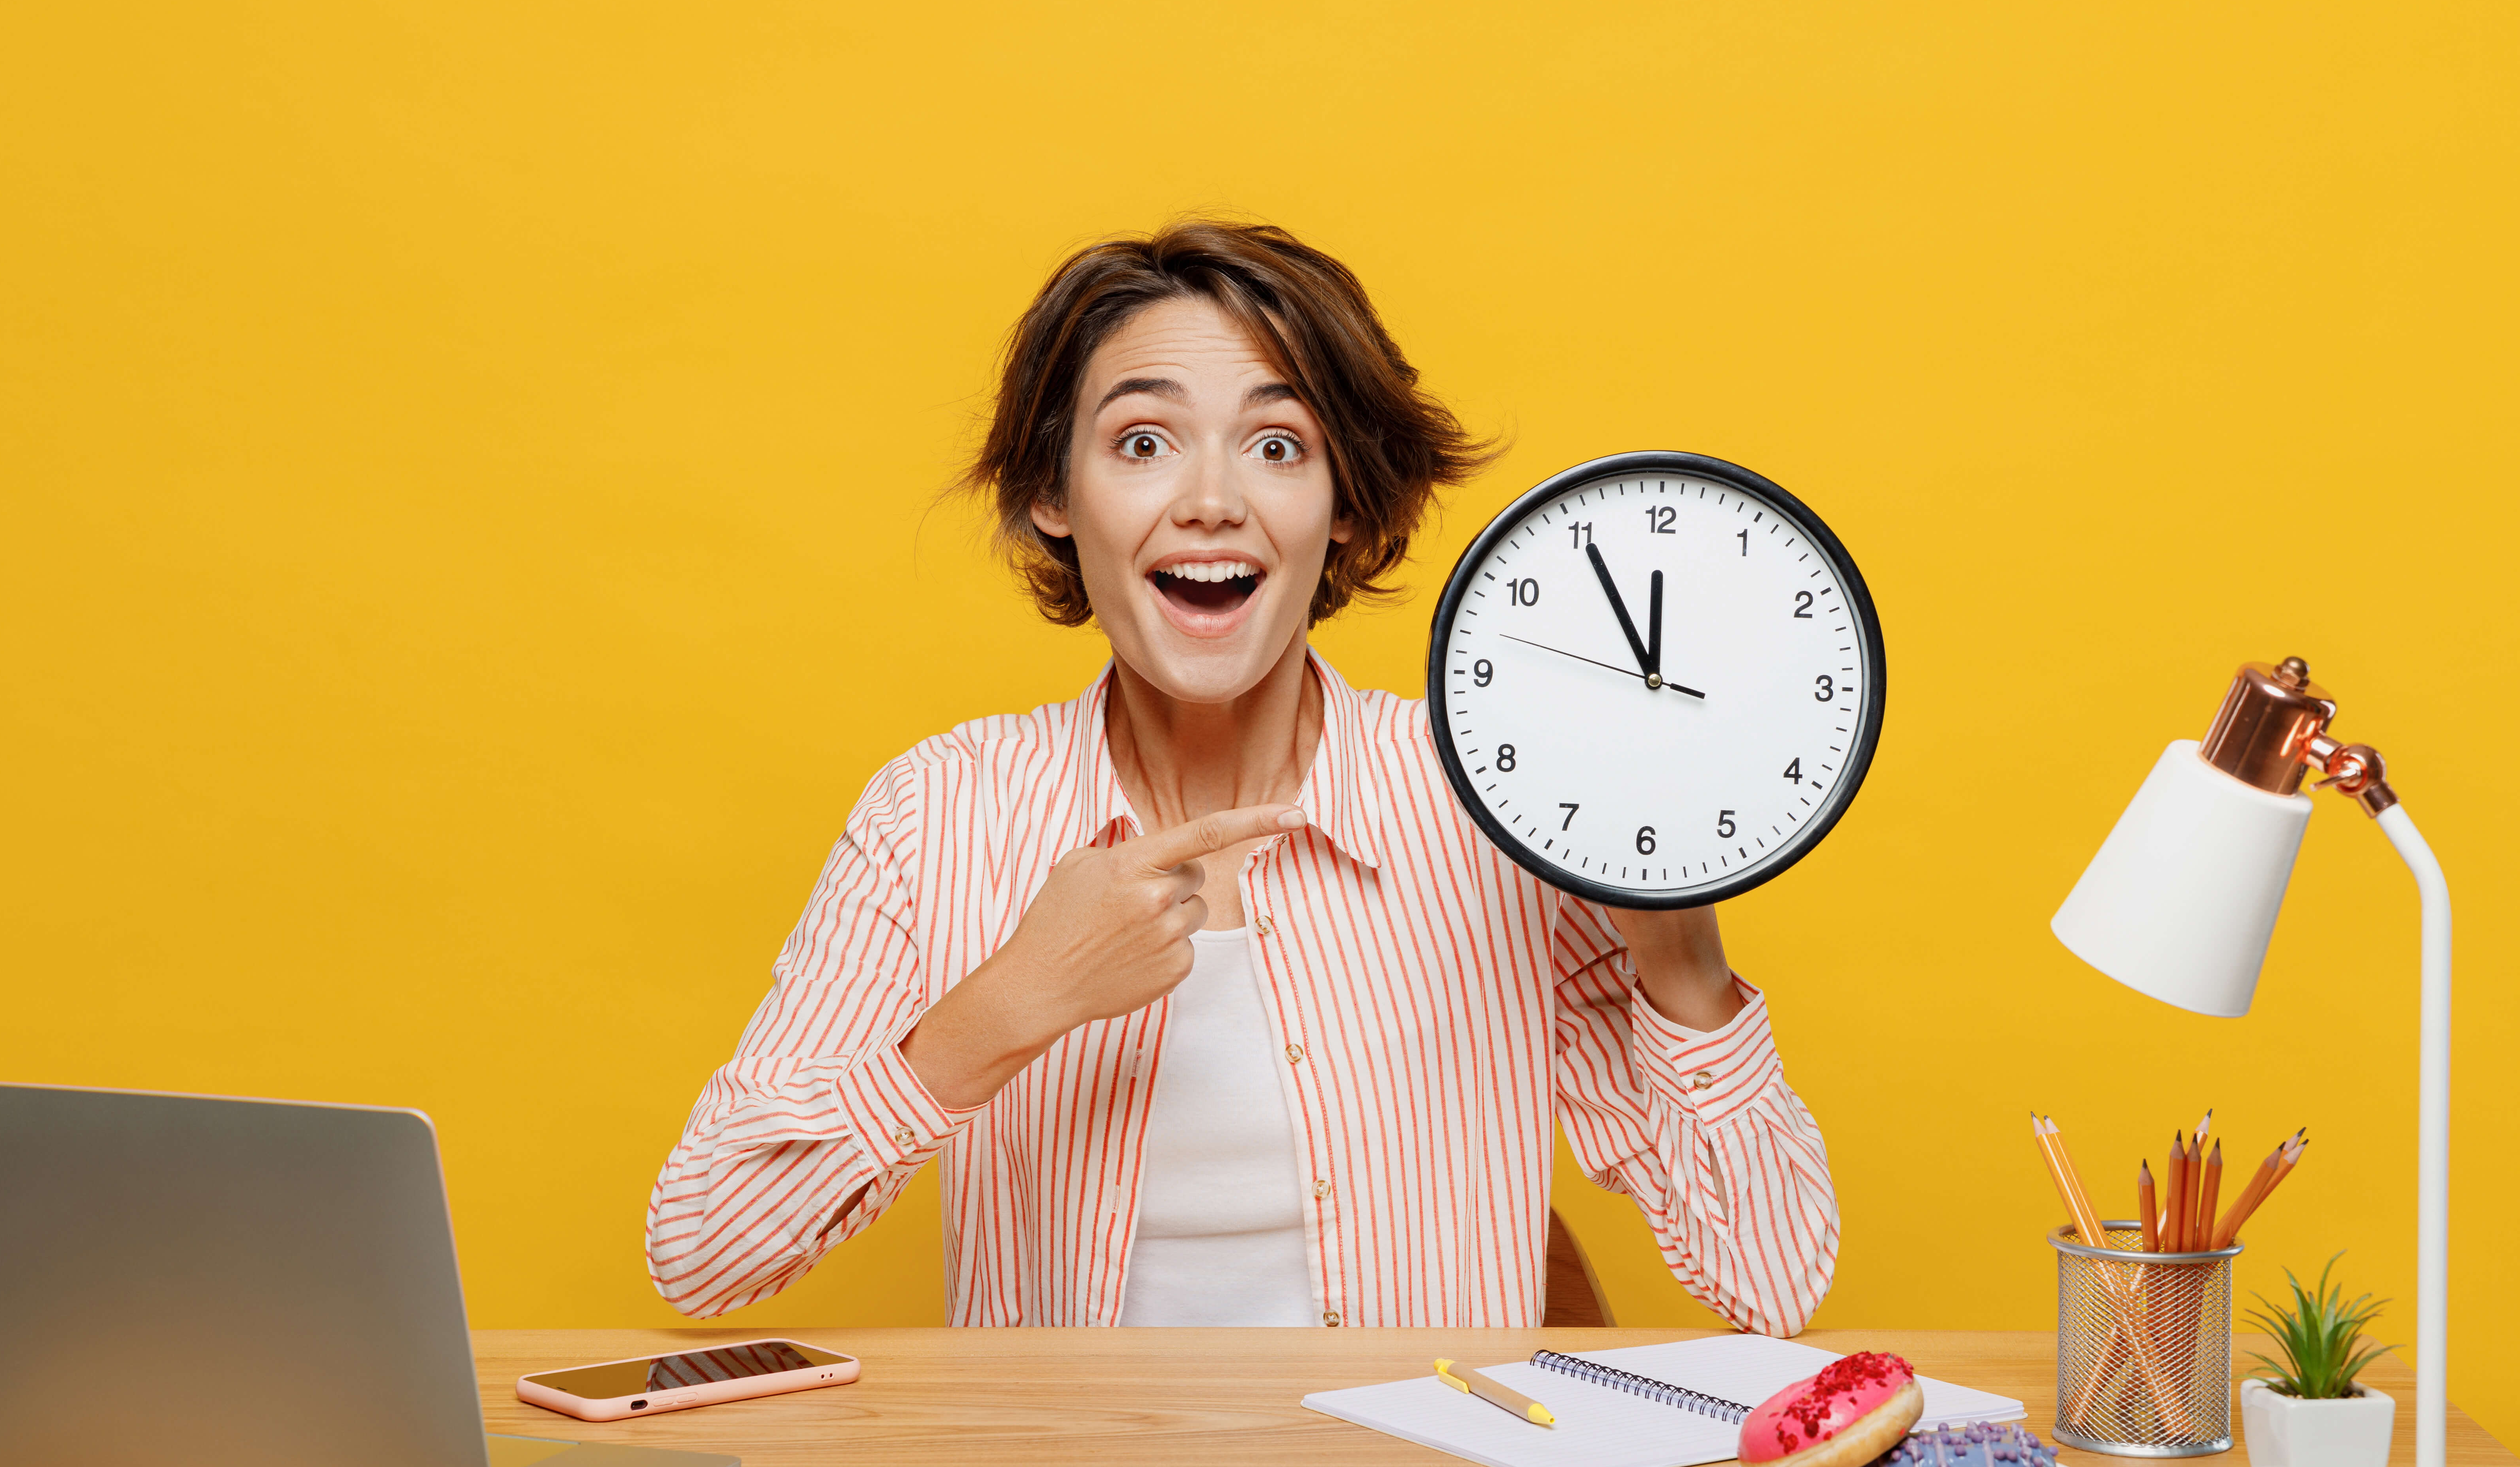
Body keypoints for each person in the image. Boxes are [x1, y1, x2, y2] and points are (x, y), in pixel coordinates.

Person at [648, 220, 1836, 1332]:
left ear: (1347, 509)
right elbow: (701, 1250)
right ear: (1054, 498)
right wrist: (1014, 1002)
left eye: (1278, 446)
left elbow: (1771, 1284)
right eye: (1143, 443)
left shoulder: (1490, 803)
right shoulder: (939, 813)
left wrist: (1676, 946)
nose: (1211, 503)